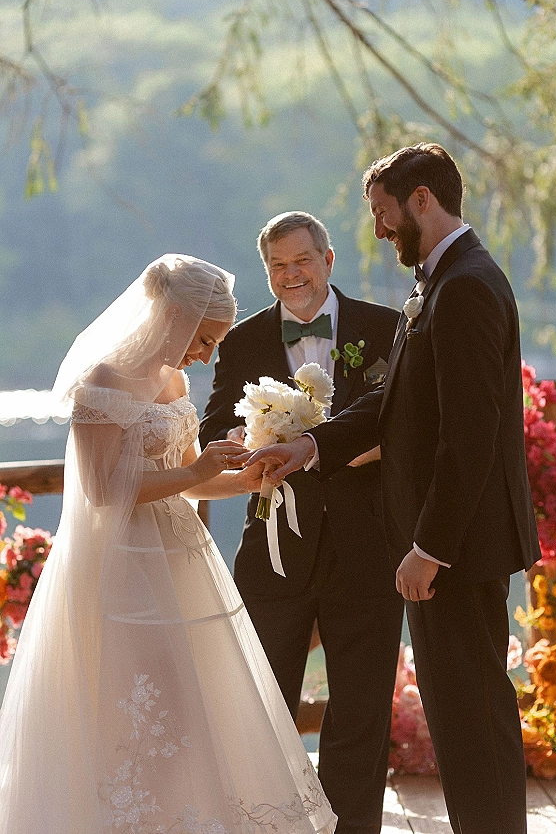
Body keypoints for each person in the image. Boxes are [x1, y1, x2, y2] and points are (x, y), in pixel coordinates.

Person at [243, 147, 541, 834]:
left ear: (423, 200)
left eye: (383, 212)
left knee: (473, 717)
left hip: (456, 549)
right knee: (459, 715)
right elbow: (393, 406)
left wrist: (430, 547)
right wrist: (311, 444)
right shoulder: (440, 282)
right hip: (445, 545)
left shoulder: (465, 285)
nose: (379, 228)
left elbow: (470, 436)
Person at [0, 254, 337, 834]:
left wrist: (245, 478)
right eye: (204, 339)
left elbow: (191, 477)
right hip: (120, 567)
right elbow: (105, 490)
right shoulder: (102, 383)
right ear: (175, 316)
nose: (206, 355)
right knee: (132, 707)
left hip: (180, 562)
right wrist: (192, 472)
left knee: (190, 706)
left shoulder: (174, 381)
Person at [199, 212, 404, 834]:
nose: (292, 276)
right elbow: (211, 429)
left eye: (302, 261)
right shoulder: (242, 339)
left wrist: (318, 445)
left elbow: (400, 424)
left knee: (362, 711)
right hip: (271, 550)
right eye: (278, 267)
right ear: (267, 273)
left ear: (329, 260)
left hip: (367, 547)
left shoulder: (386, 328)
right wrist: (246, 438)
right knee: (262, 706)